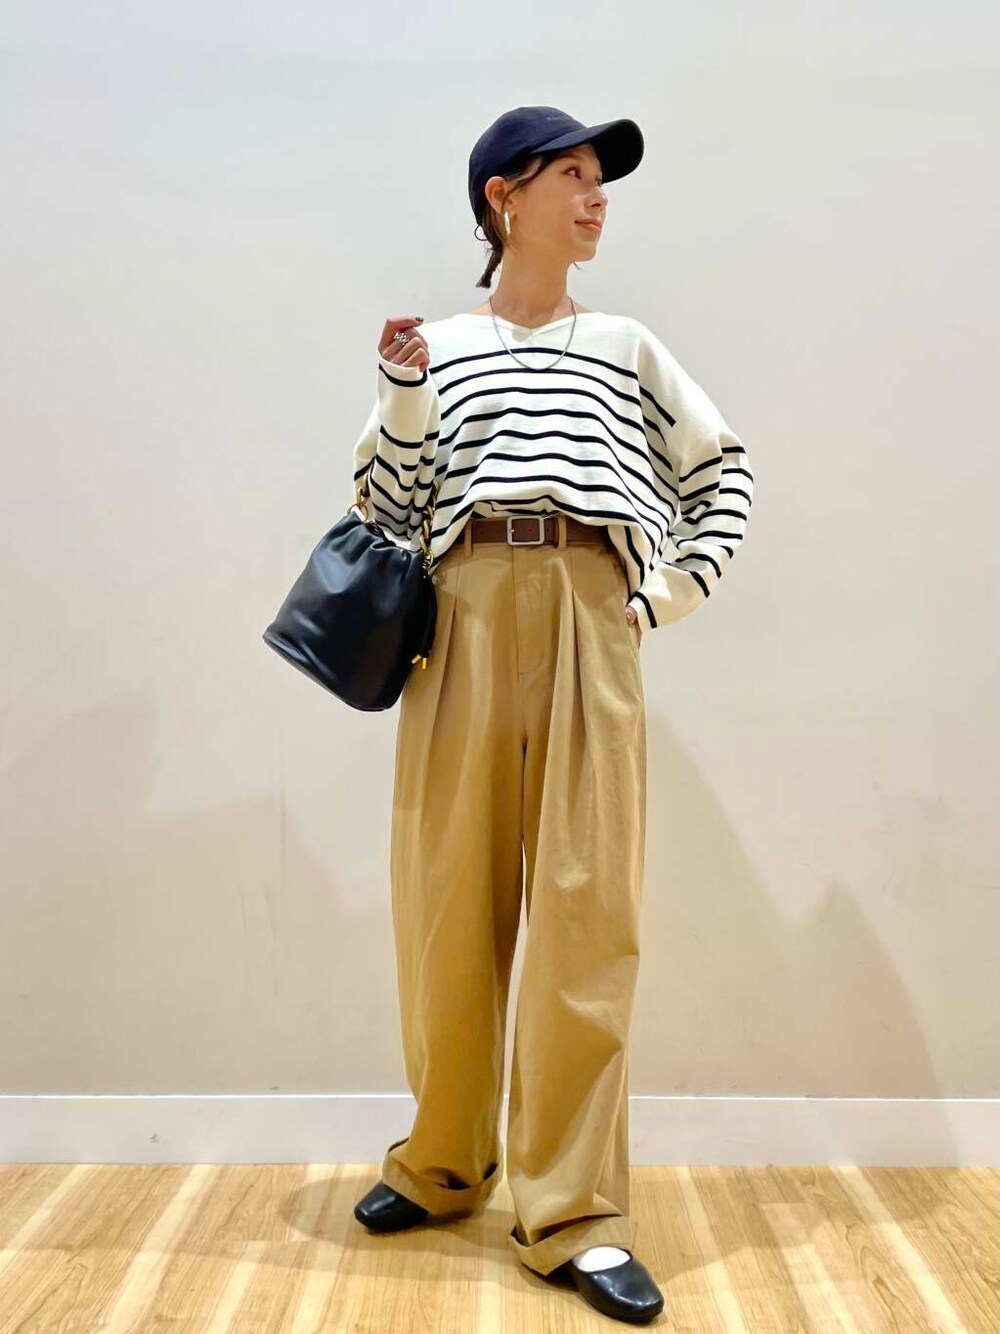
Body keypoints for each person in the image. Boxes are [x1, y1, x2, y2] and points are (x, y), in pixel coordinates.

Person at [352, 105, 754, 1325]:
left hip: (590, 614)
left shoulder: (625, 344)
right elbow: (383, 510)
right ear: (502, 197)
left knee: (586, 920)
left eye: (599, 181)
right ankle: (442, 1161)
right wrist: (402, 390)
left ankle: (574, 1210)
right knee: (445, 907)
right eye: (570, 175)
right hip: (462, 616)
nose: (594, 198)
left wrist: (657, 597)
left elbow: (721, 468)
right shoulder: (438, 346)